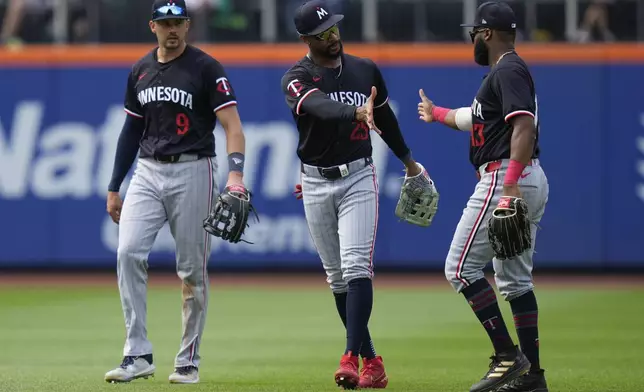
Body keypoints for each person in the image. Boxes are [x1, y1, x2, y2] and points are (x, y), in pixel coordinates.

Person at [282, 0, 437, 389]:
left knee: (355, 267)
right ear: (305, 39)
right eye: (322, 34)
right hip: (315, 181)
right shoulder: (296, 77)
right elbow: (315, 106)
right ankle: (372, 360)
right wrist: (353, 113)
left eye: (334, 28)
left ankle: (349, 357)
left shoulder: (365, 69)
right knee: (336, 278)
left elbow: (384, 119)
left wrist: (409, 162)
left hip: (357, 176)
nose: (333, 37)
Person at [104, 0, 247, 384]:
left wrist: (235, 174)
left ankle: (188, 361)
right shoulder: (141, 70)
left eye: (178, 22)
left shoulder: (206, 68)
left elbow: (232, 125)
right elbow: (131, 131)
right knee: (128, 252)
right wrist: (114, 185)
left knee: (191, 272)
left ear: (187, 25)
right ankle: (137, 353)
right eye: (164, 22)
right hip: (148, 171)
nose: (172, 29)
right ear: (153, 26)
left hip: (193, 168)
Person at [417, 2, 549, 392]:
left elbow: (523, 127)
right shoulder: (505, 71)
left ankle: (508, 357)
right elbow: (475, 117)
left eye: (474, 32)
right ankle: (533, 377)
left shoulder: (508, 69)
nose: (471, 38)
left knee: (459, 269)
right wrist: (436, 112)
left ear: (487, 33)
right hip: (527, 176)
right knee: (516, 284)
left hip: (505, 177)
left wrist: (508, 187)